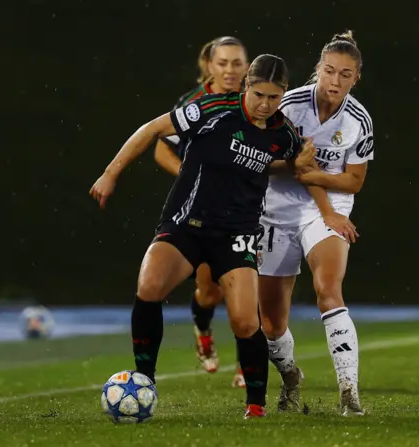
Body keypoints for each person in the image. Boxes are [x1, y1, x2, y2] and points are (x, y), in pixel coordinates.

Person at [90, 54, 312, 419]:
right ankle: (144, 379)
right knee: (149, 286)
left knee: (245, 322)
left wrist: (298, 165)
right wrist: (110, 174)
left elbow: (284, 163)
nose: (265, 104)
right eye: (259, 94)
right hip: (186, 223)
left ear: (284, 93)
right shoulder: (210, 109)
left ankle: (256, 406)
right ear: (246, 86)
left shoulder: (283, 134)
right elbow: (151, 130)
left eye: (275, 97)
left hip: (236, 233)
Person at [257, 30, 374, 416]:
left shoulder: (359, 120)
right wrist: (300, 169)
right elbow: (270, 164)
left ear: (356, 78)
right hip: (277, 208)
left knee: (328, 288)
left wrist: (312, 179)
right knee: (271, 321)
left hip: (330, 208)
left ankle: (349, 393)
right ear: (318, 71)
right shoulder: (288, 107)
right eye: (329, 71)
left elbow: (353, 181)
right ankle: (291, 375)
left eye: (345, 74)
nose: (335, 81)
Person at [153, 36, 249, 387]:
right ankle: (203, 328)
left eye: (237, 63)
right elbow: (162, 150)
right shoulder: (194, 103)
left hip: (249, 208)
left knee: (247, 284)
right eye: (223, 63)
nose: (230, 70)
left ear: (247, 65)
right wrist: (194, 176)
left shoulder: (257, 99)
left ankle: (246, 363)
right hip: (205, 211)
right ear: (209, 65)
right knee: (210, 289)